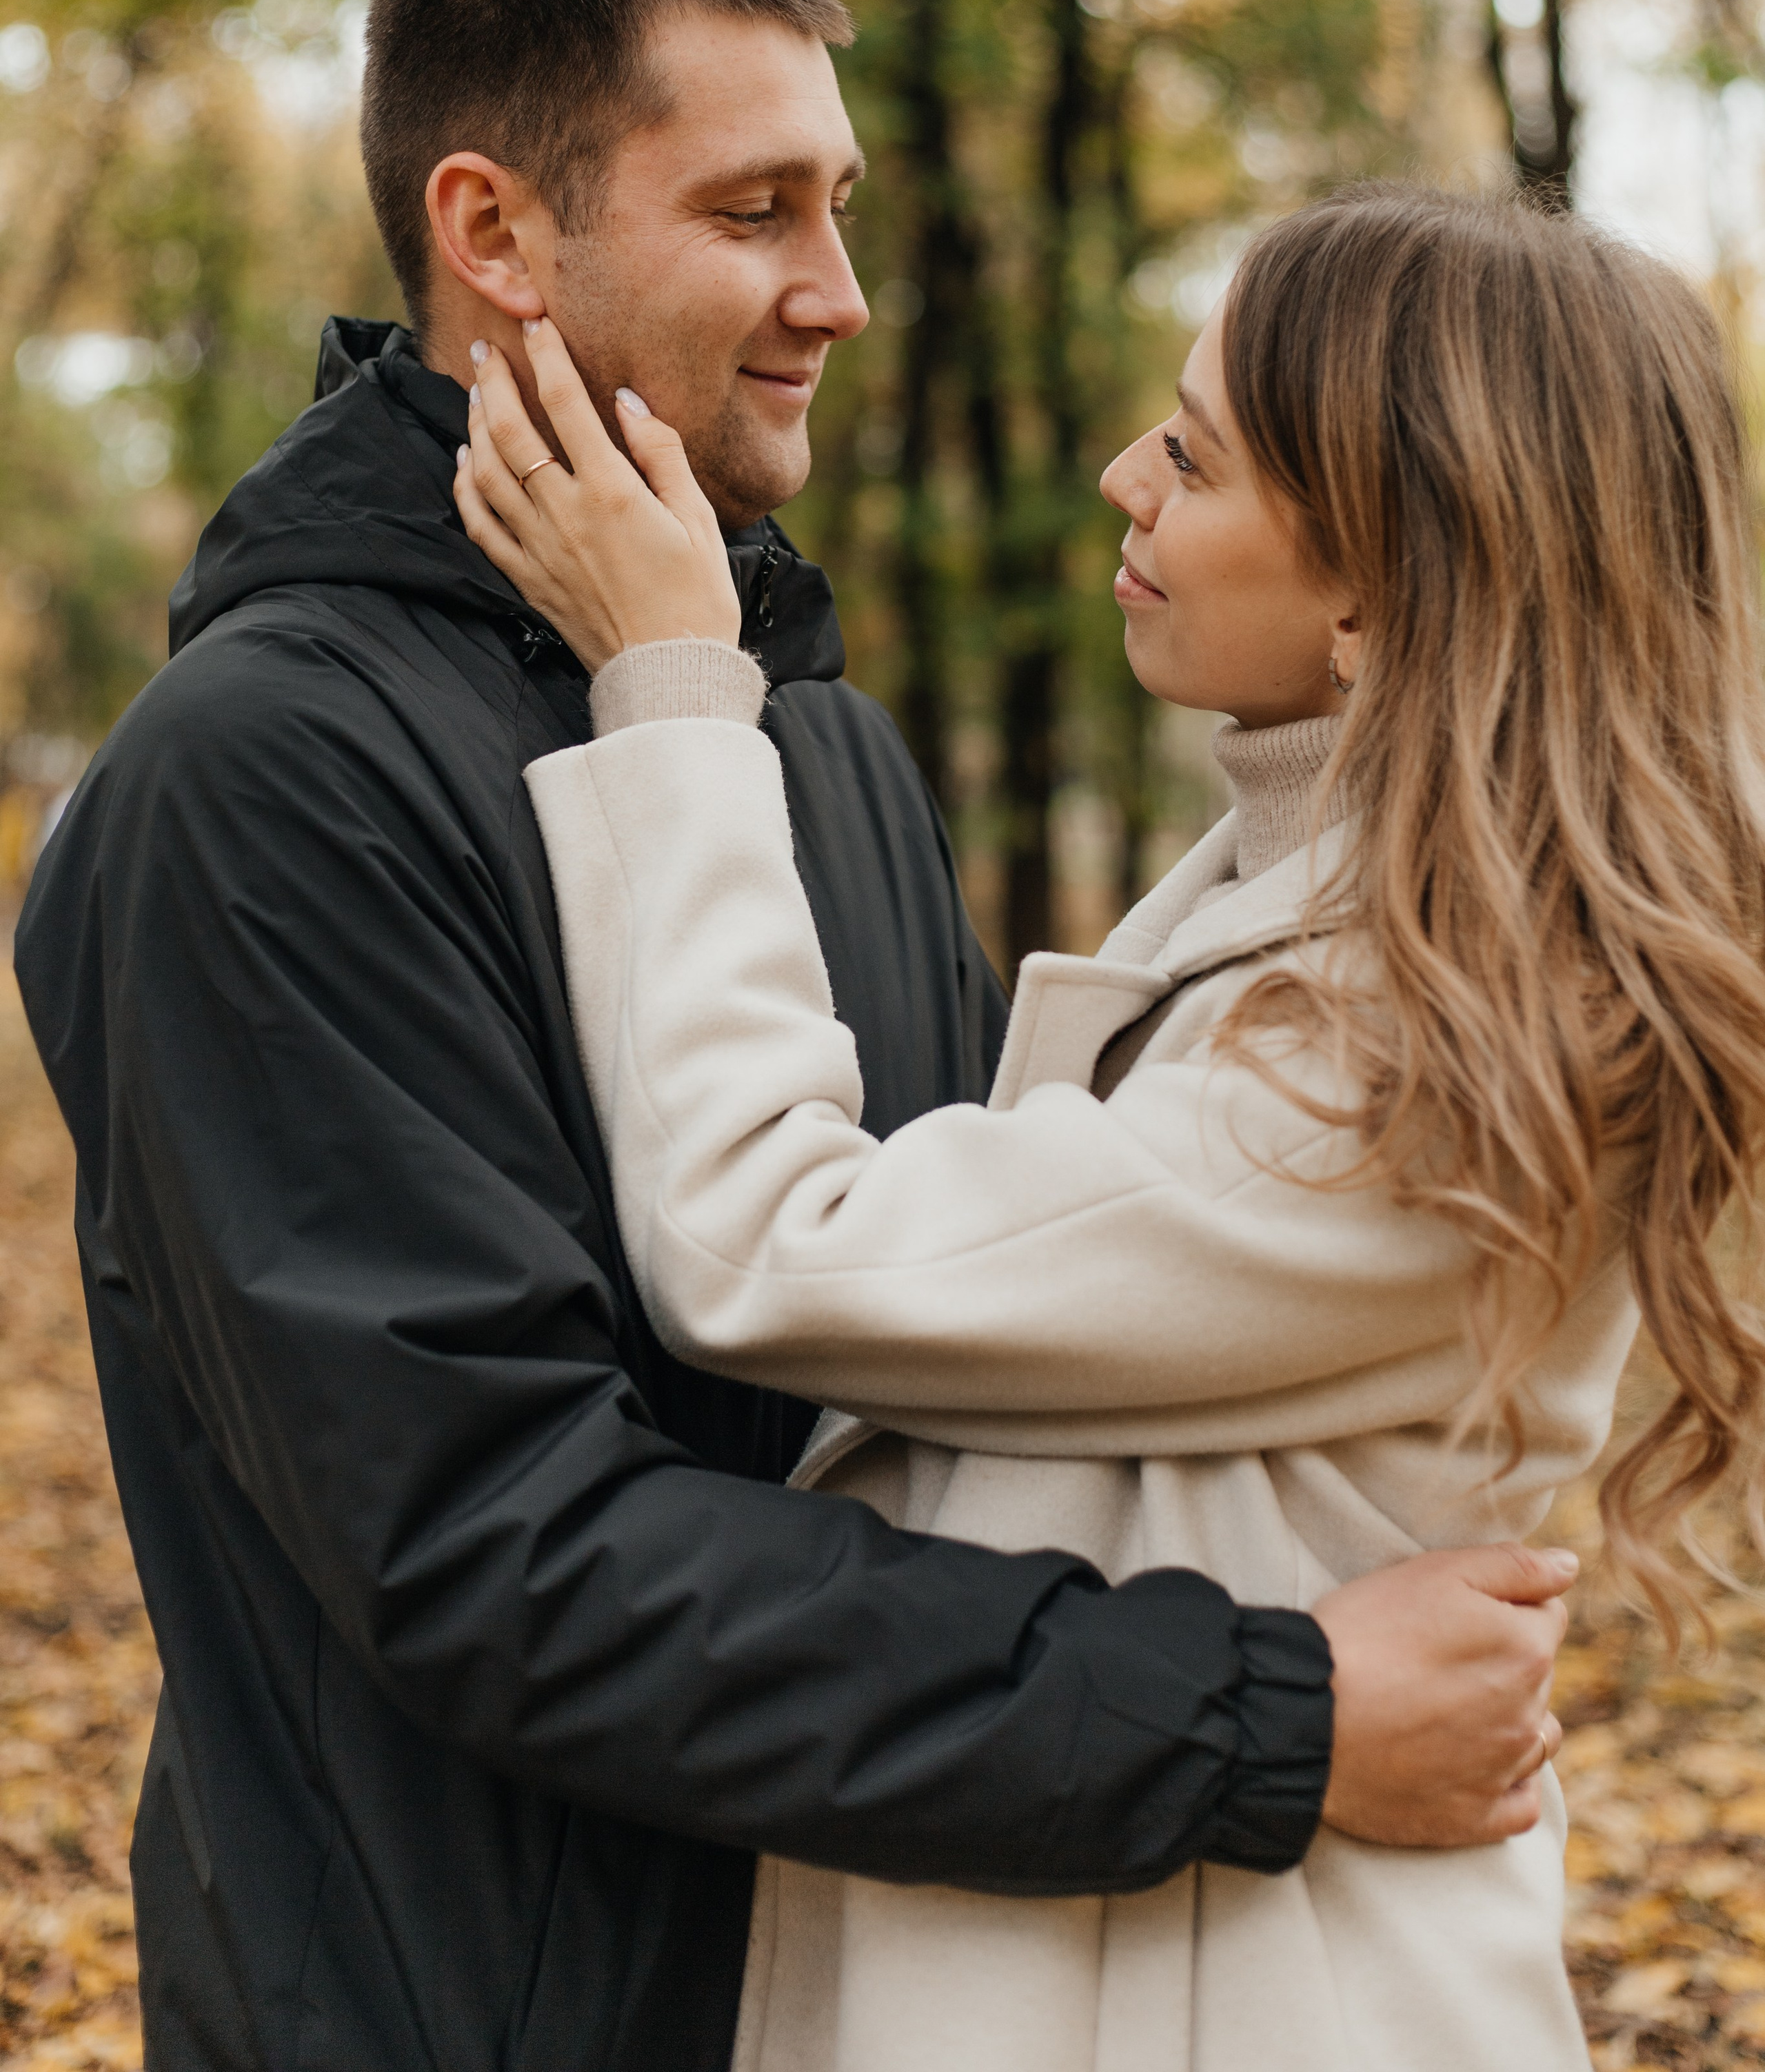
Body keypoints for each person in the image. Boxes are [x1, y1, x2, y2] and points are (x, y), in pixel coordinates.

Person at [17, 0, 1573, 2072]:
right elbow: (494, 1551)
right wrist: (1260, 1716)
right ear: (498, 235)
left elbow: (928, 1396)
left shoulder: (799, 739)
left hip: (870, 1976)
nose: (838, 296)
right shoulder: (267, 774)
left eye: (839, 208)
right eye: (756, 212)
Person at [456, 179, 1765, 2071]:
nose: (1118, 478)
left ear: (1382, 583)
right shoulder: (1334, 903)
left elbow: (770, 1246)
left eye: (1198, 457)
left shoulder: (1422, 1058)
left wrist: (670, 690)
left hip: (1234, 2000)